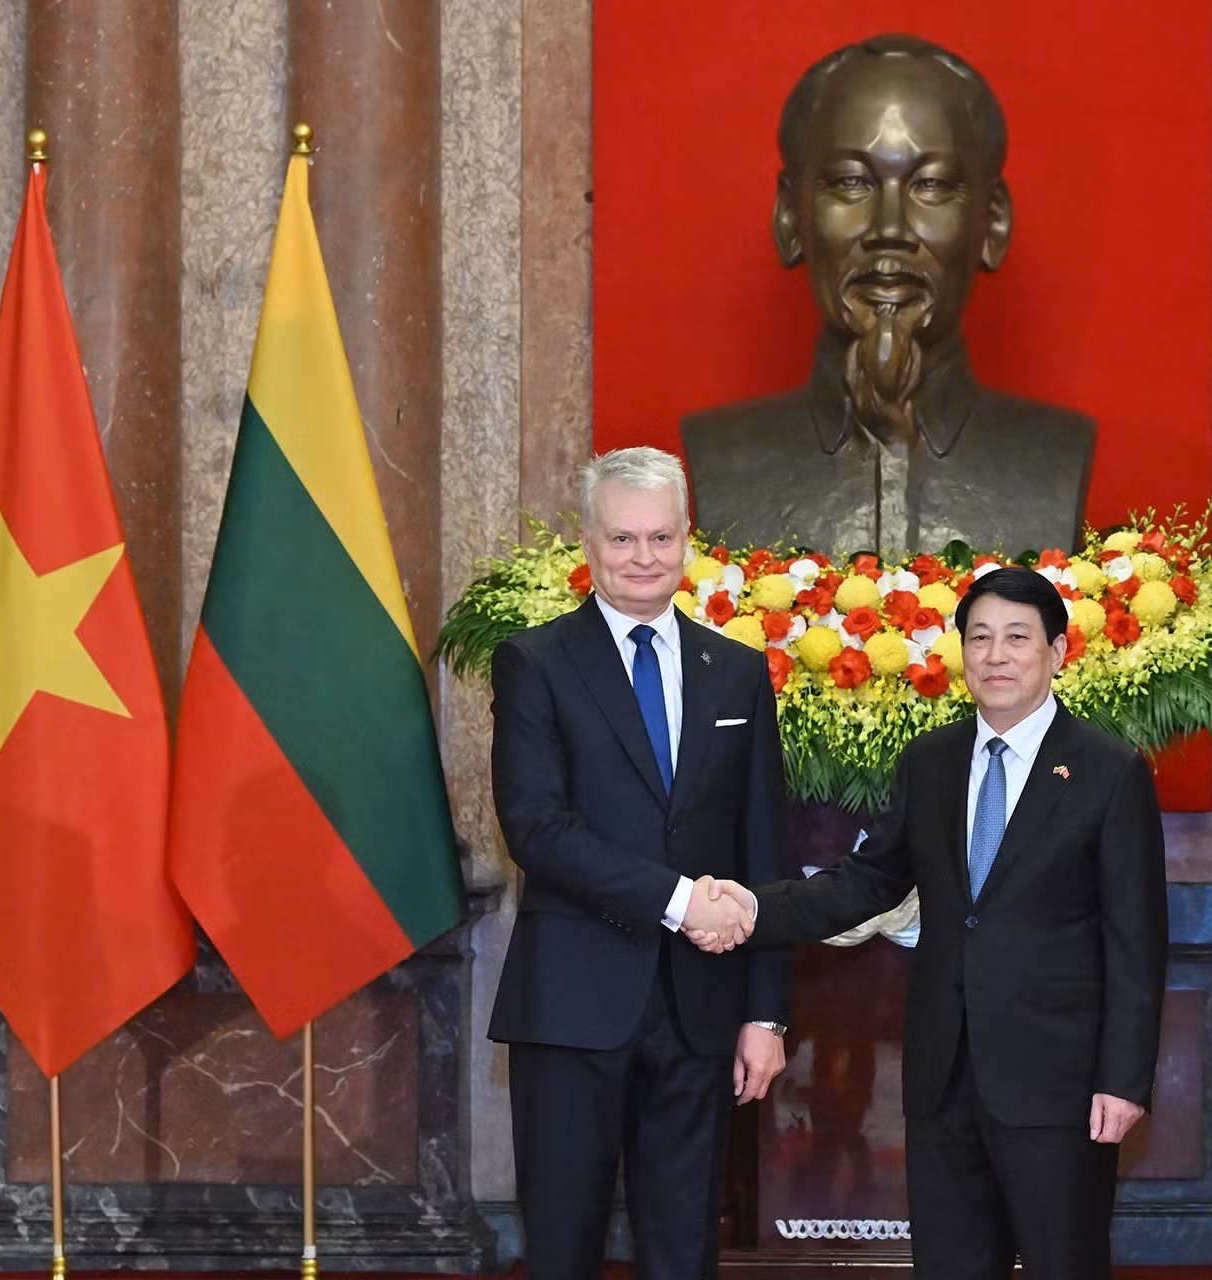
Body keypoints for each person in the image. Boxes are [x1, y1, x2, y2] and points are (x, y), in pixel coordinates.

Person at [692, 567, 1167, 1279]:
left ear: (1057, 653)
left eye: (1017, 638)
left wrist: (1124, 1080)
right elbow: (867, 882)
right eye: (980, 638)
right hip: (943, 1079)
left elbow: (1137, 943)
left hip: (1058, 1086)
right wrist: (752, 908)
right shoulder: (932, 761)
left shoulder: (1108, 771)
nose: (996, 656)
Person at [487, 446, 791, 1280]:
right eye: (622, 539)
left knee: (685, 1251)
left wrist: (767, 1015)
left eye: (661, 537)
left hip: (702, 1012)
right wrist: (682, 900)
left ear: (688, 539)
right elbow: (537, 828)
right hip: (571, 1003)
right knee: (562, 1249)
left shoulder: (737, 672)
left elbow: (764, 848)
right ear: (588, 542)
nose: (644, 558)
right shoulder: (536, 662)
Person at [681, 34, 1095, 558]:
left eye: (932, 185)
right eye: (851, 182)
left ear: (992, 222)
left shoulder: (1056, 457)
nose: (890, 229)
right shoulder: (720, 456)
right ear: (790, 217)